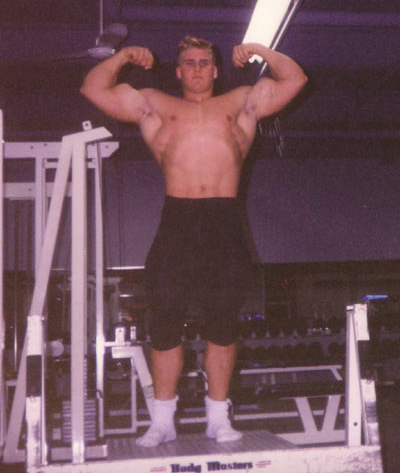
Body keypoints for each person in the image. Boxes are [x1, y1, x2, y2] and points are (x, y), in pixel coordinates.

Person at [81, 36, 307, 447]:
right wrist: (124, 56)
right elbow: (93, 89)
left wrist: (262, 50)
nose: (198, 68)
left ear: (216, 70)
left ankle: (217, 418)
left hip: (224, 220)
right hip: (178, 219)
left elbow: (295, 80)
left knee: (223, 323)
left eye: (205, 62)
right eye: (189, 62)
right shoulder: (155, 104)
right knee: (165, 321)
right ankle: (162, 421)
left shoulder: (241, 101)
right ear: (178, 70)